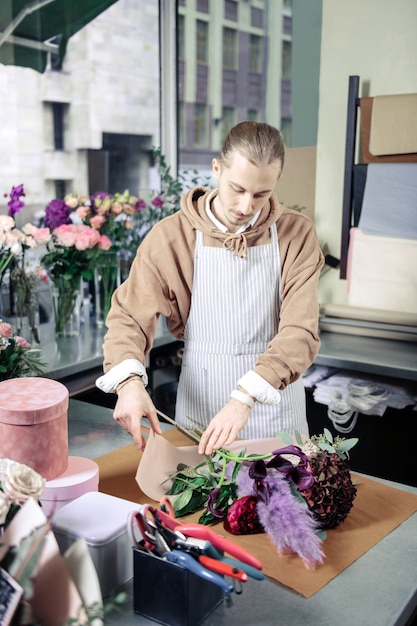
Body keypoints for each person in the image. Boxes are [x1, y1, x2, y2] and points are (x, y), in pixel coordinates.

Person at [96, 121, 324, 456]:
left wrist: (245, 397)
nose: (247, 206)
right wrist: (129, 384)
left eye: (262, 193)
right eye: (238, 189)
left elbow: (301, 331)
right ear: (216, 169)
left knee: (282, 503)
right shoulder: (172, 236)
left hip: (273, 406)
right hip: (201, 409)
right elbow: (129, 316)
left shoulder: (297, 235)